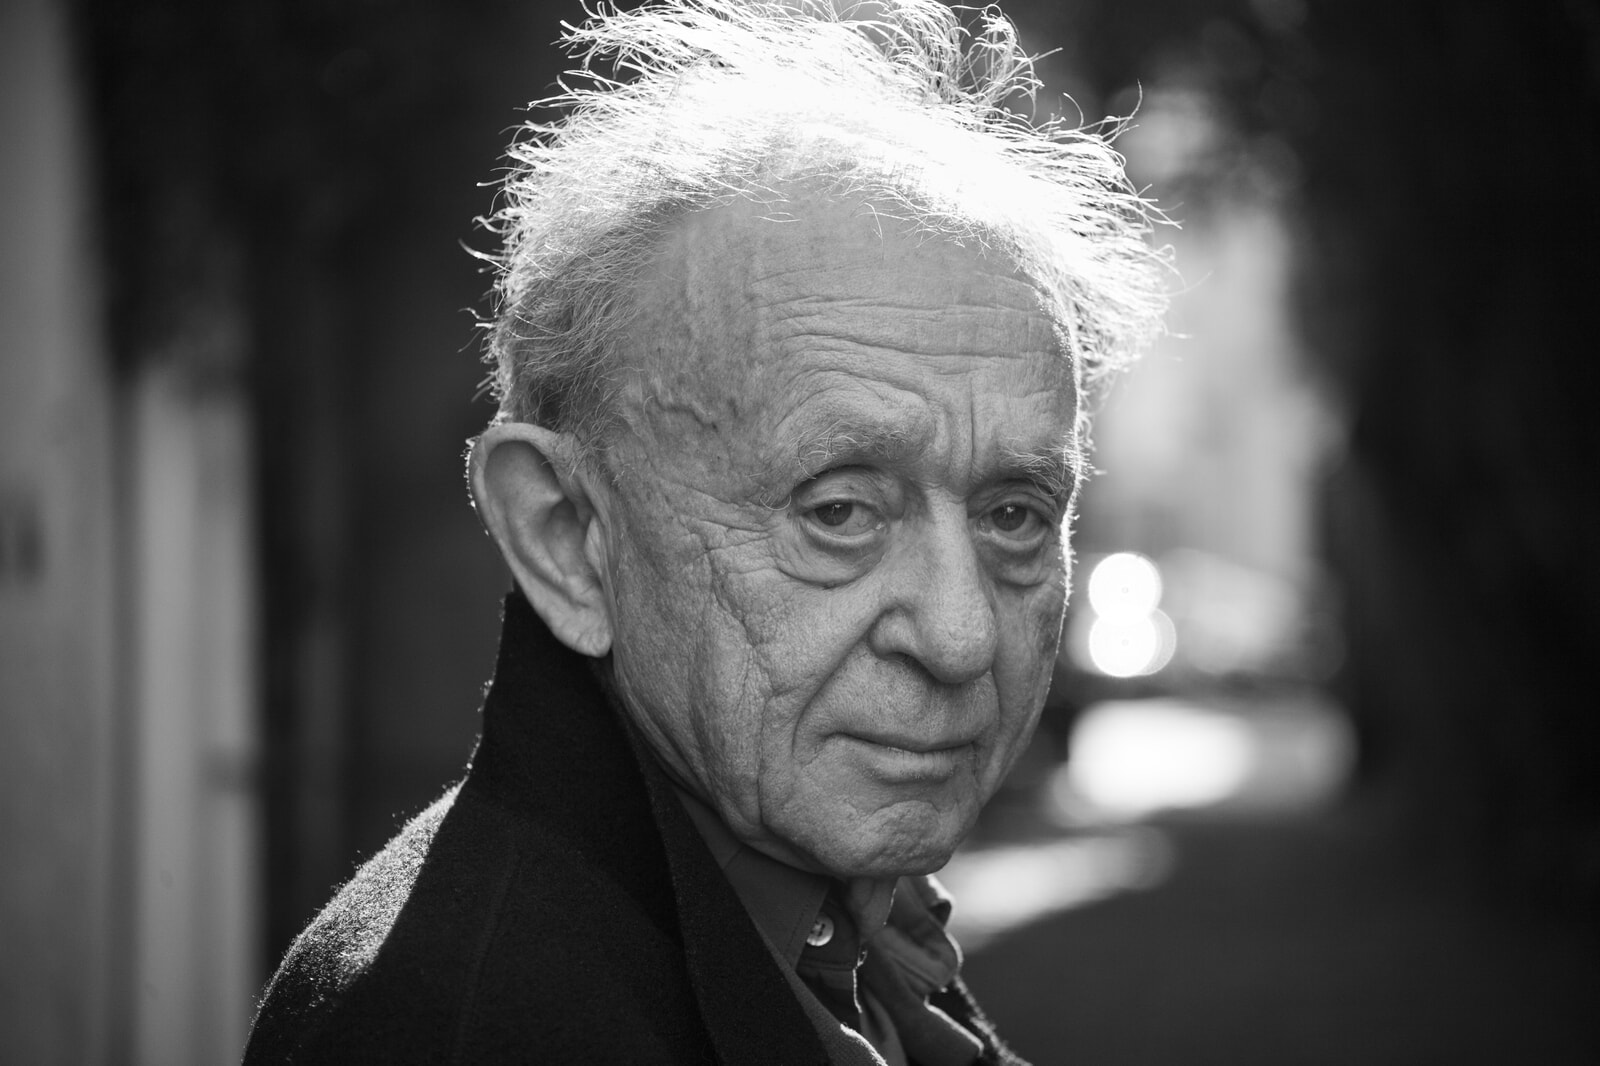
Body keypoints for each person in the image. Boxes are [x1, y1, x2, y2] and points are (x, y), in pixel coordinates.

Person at [244, 1, 1164, 1062]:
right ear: (566, 537)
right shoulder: (469, 1025)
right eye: (838, 512)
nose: (962, 636)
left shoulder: (840, 927)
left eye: (1014, 514)